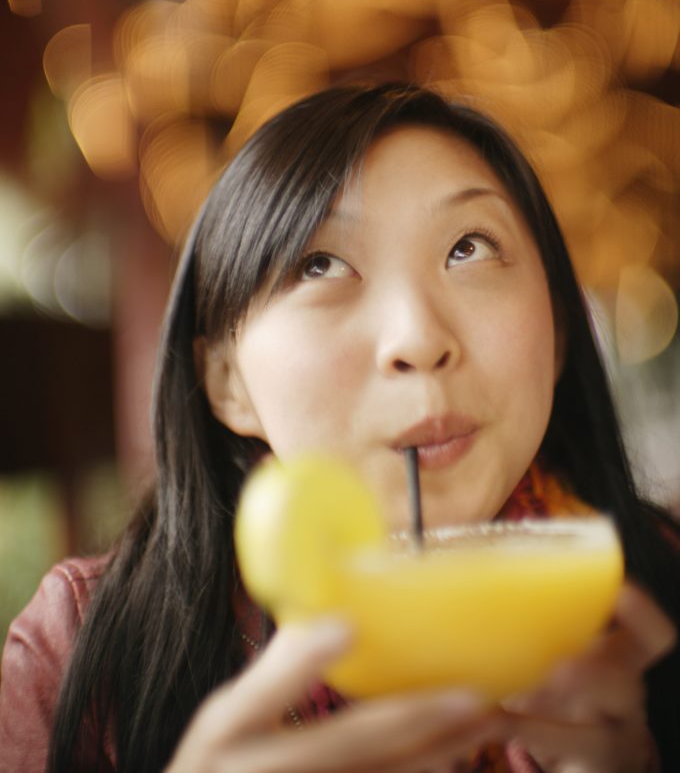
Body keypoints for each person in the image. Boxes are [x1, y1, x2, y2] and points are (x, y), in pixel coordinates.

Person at [1, 82, 678, 773]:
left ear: (559, 330)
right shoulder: (79, 650)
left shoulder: (659, 597)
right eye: (319, 264)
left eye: (469, 247)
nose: (416, 337)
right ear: (229, 385)